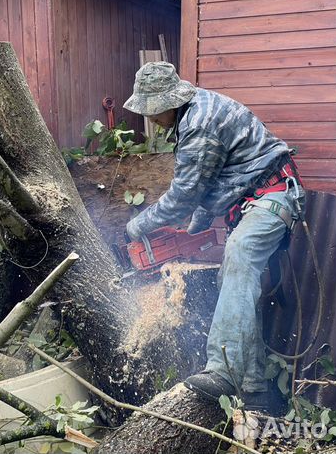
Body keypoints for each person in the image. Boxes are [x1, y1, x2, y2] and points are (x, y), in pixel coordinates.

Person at [123, 61, 304, 406]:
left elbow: (183, 196)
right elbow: (214, 180)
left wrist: (137, 226)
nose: (151, 119)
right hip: (256, 196)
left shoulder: (199, 125)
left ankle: (221, 371)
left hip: (274, 195)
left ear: (166, 102)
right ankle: (253, 388)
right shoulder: (196, 111)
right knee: (232, 280)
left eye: (152, 111)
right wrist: (195, 229)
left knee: (238, 256)